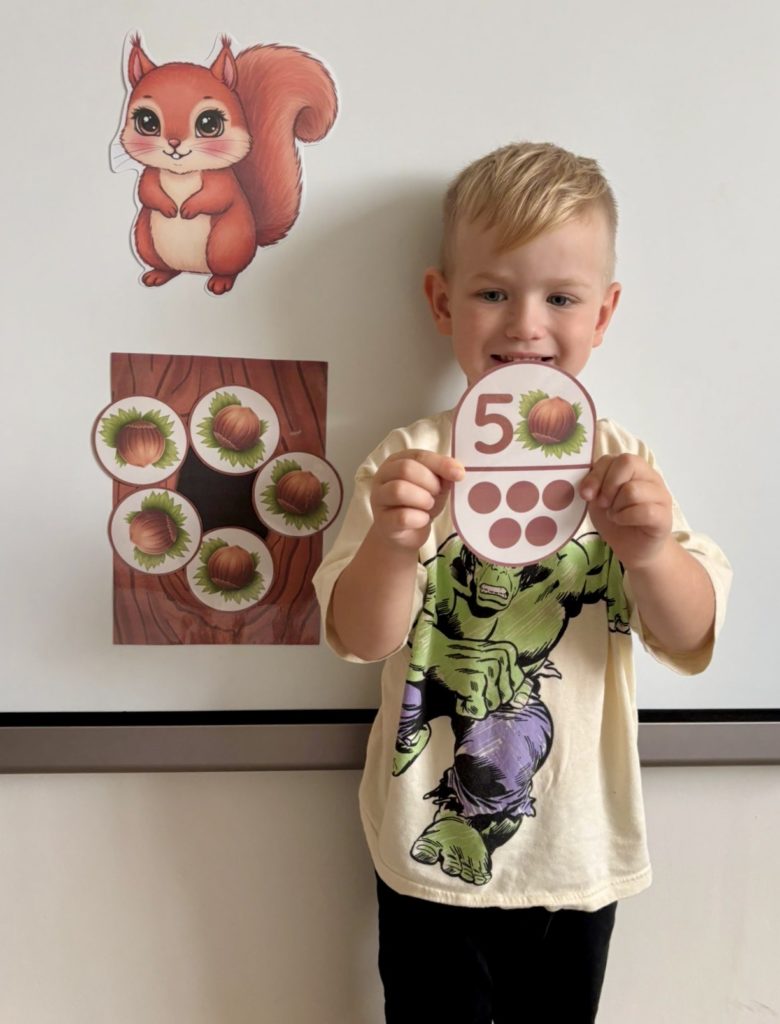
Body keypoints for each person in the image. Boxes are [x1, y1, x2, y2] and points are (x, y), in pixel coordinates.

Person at [312, 141, 732, 1023]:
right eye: (493, 293)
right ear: (443, 302)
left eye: (561, 298)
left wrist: (651, 552)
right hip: (424, 857)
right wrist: (395, 541)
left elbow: (691, 630)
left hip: (576, 854)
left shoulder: (622, 466)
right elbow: (360, 635)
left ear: (604, 314)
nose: (526, 325)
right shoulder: (410, 460)